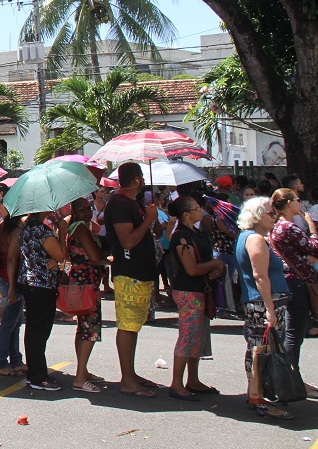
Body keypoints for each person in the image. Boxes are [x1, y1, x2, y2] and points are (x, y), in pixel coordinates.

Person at [236, 196, 295, 420]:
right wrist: (270, 309)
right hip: (262, 303)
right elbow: (260, 276)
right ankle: (258, 398)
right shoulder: (255, 239)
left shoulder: (250, 237)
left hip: (260, 301)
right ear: (257, 215)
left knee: (258, 349)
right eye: (270, 213)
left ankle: (257, 395)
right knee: (261, 351)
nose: (275, 216)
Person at [105, 162, 160, 397]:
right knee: (127, 326)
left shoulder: (132, 204)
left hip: (139, 272)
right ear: (137, 179)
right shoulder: (119, 204)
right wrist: (148, 220)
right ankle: (127, 379)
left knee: (133, 325)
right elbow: (127, 241)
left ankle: (131, 373)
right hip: (129, 273)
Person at [167, 195, 224, 401]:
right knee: (189, 335)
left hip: (200, 289)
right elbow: (191, 269)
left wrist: (213, 268)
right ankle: (176, 383)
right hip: (188, 291)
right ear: (186, 214)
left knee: (198, 335)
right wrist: (216, 264)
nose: (200, 211)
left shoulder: (195, 232)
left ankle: (193, 379)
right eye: (196, 208)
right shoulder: (181, 237)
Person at [268, 188, 318, 396]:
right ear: (289, 203)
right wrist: (312, 227)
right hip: (296, 283)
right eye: (297, 200)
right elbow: (314, 248)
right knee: (293, 334)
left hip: (290, 281)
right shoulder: (288, 227)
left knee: (292, 332)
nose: (300, 203)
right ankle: (290, 380)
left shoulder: (278, 227)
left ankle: (291, 378)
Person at [11, 211, 64, 391]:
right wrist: (62, 232)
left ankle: (34, 373)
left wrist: (55, 260)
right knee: (39, 331)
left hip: (30, 281)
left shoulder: (26, 228)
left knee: (34, 329)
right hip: (41, 284)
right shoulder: (41, 230)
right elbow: (60, 254)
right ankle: (38, 376)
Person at [67, 197, 107, 392]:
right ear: (74, 210)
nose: (87, 212)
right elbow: (94, 256)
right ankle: (81, 377)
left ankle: (82, 371)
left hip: (81, 280)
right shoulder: (80, 228)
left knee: (83, 326)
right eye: (82, 209)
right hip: (86, 282)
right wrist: (108, 260)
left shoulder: (75, 226)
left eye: (88, 208)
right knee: (90, 328)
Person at [0, 208, 25, 377]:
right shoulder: (15, 232)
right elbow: (12, 258)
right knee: (9, 322)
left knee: (15, 321)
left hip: (3, 277)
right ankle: (1, 361)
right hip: (9, 279)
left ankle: (15, 359)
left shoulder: (0, 227)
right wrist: (13, 286)